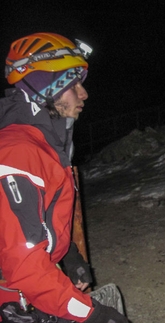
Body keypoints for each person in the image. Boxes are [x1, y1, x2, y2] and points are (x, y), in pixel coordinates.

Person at [0, 33, 128, 322]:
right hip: (15, 298)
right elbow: (25, 267)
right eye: (74, 85)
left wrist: (67, 254)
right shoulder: (17, 154)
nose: (84, 94)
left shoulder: (43, 146)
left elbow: (35, 224)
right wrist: (93, 314)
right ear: (47, 88)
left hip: (33, 287)